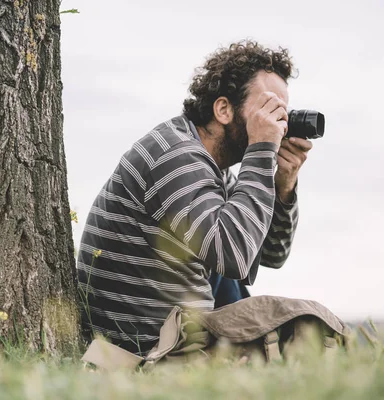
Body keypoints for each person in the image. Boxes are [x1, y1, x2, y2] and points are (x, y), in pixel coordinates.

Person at [77, 40, 313, 354]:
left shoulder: (212, 167)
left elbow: (271, 253)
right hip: (146, 350)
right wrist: (261, 153)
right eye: (268, 110)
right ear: (224, 109)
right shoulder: (175, 157)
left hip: (173, 332)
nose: (277, 125)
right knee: (306, 332)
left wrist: (283, 186)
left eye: (282, 114)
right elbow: (234, 255)